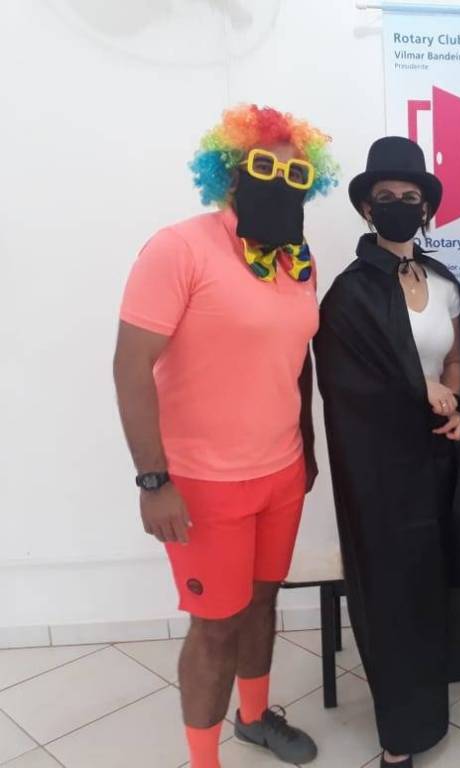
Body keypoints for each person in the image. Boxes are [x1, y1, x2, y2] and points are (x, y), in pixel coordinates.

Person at [113, 105, 339, 768]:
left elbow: (297, 362)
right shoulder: (179, 248)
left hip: (280, 474)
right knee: (215, 626)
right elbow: (130, 366)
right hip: (203, 484)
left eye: (296, 173)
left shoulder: (299, 261)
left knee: (262, 602)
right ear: (230, 173)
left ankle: (255, 718)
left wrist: (307, 451)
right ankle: (203, 760)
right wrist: (153, 481)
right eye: (263, 166)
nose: (281, 181)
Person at [313, 136, 460, 768]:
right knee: (393, 589)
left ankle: (432, 698)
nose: (399, 205)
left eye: (410, 196)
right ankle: (399, 734)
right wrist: (419, 391)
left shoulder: (443, 282)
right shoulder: (350, 293)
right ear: (368, 208)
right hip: (381, 466)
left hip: (440, 458)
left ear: (425, 209)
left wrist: (458, 408)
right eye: (386, 196)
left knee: (435, 579)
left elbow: (459, 358)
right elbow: (346, 379)